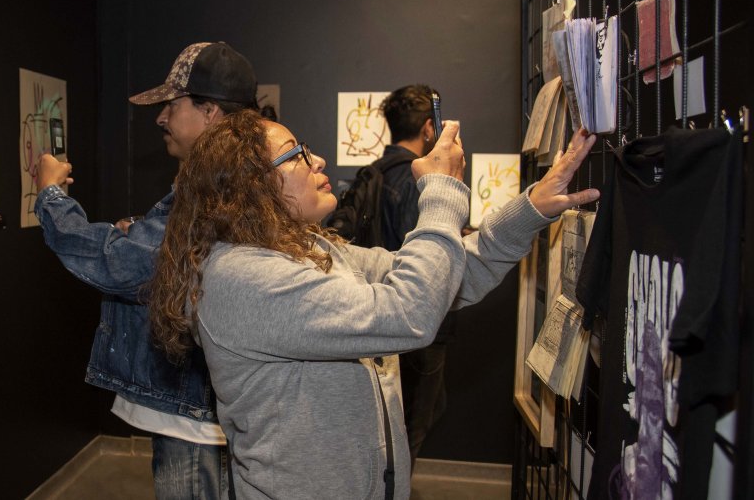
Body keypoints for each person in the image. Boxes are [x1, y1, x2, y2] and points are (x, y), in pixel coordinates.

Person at [148, 110, 598, 499]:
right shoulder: (243, 278)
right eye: (296, 154)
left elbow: (447, 277)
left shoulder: (311, 248)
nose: (317, 159)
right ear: (249, 187)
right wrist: (440, 192)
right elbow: (409, 313)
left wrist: (532, 208)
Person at [34, 41, 258, 500]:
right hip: (220, 406)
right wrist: (147, 232)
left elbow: (120, 264)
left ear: (210, 111)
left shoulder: (210, 192)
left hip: (193, 417)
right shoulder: (249, 179)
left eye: (172, 106)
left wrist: (51, 197)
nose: (161, 118)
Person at [378, 84, 455, 465]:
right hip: (419, 324)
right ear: (429, 128)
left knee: (406, 418)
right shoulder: (414, 180)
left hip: (383, 316)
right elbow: (424, 256)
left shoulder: (375, 172)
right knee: (412, 424)